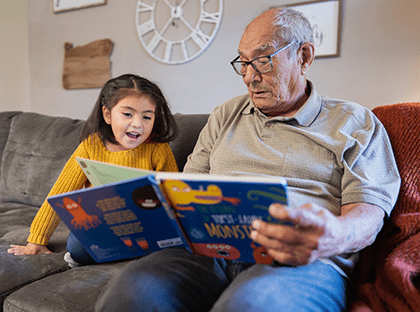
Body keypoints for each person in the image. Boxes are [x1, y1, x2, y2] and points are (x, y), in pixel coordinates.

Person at [95, 8, 400, 312]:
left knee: (250, 305)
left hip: (299, 261)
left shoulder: (355, 122)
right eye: (243, 63)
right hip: (206, 252)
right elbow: (183, 190)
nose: (250, 77)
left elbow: (369, 215)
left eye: (263, 60)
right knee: (129, 293)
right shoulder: (226, 114)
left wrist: (334, 235)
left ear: (304, 57)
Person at [7, 74, 179, 266]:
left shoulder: (157, 148)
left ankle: (132, 254)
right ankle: (122, 254)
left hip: (146, 228)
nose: (138, 123)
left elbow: (174, 196)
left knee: (166, 246)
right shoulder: (91, 147)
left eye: (147, 116)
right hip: (105, 227)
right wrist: (36, 240)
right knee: (76, 244)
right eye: (128, 114)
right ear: (107, 115)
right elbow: (59, 194)